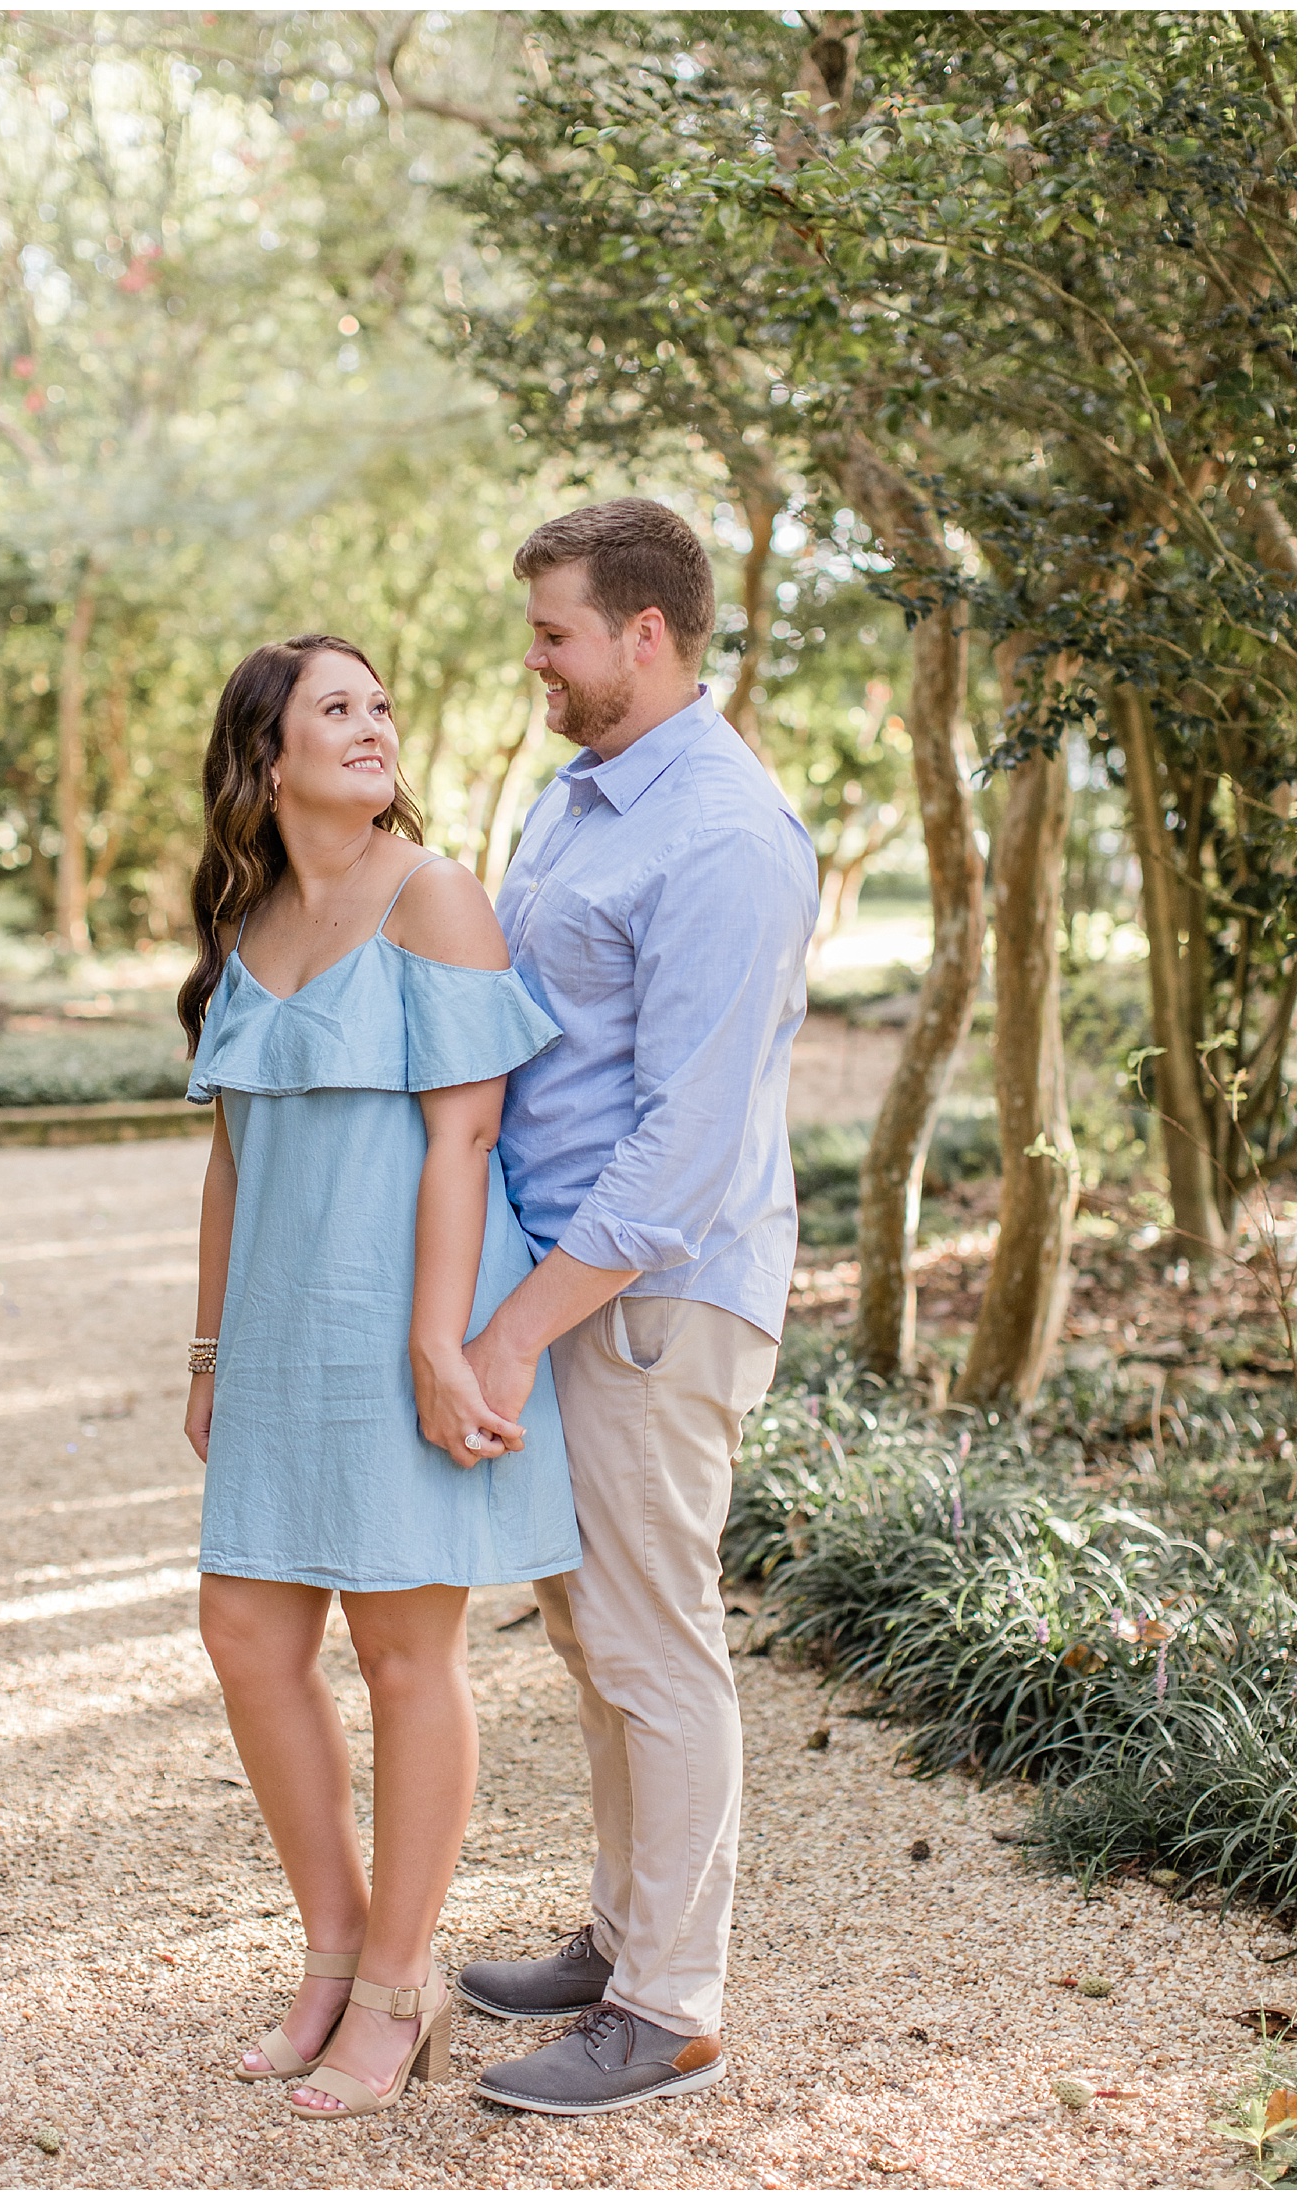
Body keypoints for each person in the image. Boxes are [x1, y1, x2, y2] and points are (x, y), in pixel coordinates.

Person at [177, 633, 580, 2125]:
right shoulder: (248, 922)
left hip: (402, 1314)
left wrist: (436, 1340)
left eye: (378, 706)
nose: (370, 728)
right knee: (244, 1637)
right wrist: (211, 1347)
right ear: (264, 756)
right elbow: (229, 1164)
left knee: (407, 1656)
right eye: (333, 710)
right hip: (278, 1337)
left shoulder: (436, 896)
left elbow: (464, 1136)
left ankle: (402, 1990)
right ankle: (334, 1951)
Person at [454, 500, 820, 2116]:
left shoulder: (727, 837)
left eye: (554, 633)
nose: (532, 658)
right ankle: (620, 1940)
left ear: (644, 635)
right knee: (591, 1631)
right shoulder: (581, 796)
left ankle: (668, 2008)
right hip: (564, 1285)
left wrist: (517, 1327)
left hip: (652, 1301)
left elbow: (682, 1143)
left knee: (654, 1643)